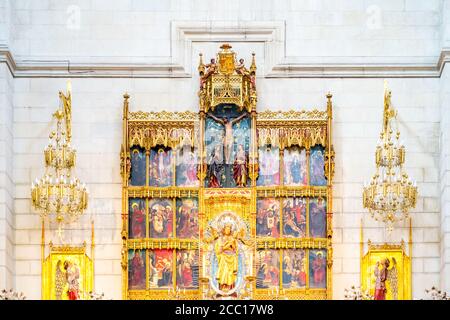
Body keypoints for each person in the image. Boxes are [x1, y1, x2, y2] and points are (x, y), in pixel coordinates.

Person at [215, 224, 238, 292]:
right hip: (223, 258)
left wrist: (232, 244)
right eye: (226, 229)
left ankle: (230, 289)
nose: (228, 230)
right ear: (223, 230)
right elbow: (219, 251)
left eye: (229, 229)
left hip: (232, 258)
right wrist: (227, 246)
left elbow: (235, 250)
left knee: (230, 274)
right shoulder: (220, 239)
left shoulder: (232, 239)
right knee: (224, 272)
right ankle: (223, 288)